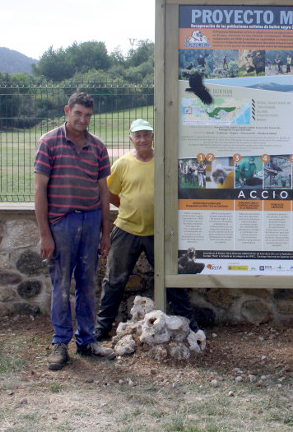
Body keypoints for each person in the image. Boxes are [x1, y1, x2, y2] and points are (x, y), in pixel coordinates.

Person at [95, 119, 200, 340]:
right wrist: (127, 206)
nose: (142, 139)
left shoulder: (163, 161)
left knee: (173, 279)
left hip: (159, 231)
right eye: (138, 135)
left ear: (153, 137)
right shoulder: (122, 163)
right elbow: (109, 191)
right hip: (127, 229)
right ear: (130, 139)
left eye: (146, 134)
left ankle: (190, 325)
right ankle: (102, 327)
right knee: (114, 280)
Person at [34, 92, 114, 371]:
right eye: (78, 113)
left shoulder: (98, 147)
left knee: (87, 284)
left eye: (88, 115)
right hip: (62, 223)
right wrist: (45, 234)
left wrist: (106, 232)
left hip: (91, 221)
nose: (83, 119)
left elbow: (104, 191)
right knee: (61, 285)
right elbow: (39, 189)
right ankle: (60, 343)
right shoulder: (49, 142)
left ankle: (87, 340)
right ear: (67, 111)